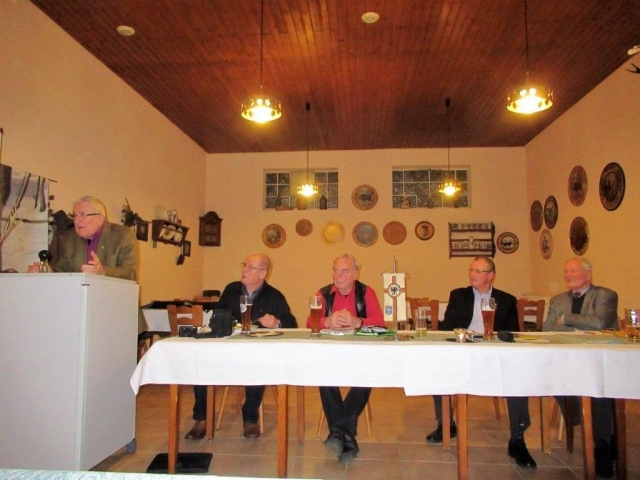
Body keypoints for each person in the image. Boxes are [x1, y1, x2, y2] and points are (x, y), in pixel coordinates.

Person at [427, 256, 537, 468]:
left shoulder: (506, 300)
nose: (472, 274)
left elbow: (512, 333)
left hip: (493, 354)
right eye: (471, 270)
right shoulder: (458, 295)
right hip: (463, 350)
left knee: (517, 375)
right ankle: (446, 423)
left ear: (491, 275)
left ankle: (517, 439)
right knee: (438, 368)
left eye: (478, 271)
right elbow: (446, 327)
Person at [185, 253, 296, 440]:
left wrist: (276, 322)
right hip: (228, 351)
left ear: (263, 274)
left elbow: (291, 324)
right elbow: (216, 318)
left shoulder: (274, 296)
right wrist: (227, 324)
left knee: (259, 365)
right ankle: (201, 419)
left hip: (255, 354)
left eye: (251, 267)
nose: (244, 270)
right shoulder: (232, 290)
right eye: (245, 265)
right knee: (202, 362)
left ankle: (250, 419)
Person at [543, 258, 618, 478]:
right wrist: (581, 325)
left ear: (589, 274)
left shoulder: (605, 295)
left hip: (599, 357)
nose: (568, 275)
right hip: (568, 358)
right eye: (566, 271)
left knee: (597, 385)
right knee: (550, 374)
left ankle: (601, 444)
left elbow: (600, 322)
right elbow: (547, 329)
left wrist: (566, 319)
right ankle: (581, 419)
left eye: (573, 271)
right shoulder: (558, 300)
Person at [307, 253, 385, 462]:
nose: (338, 275)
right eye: (335, 271)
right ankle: (346, 436)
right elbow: (309, 323)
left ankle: (338, 432)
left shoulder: (366, 292)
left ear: (355, 274)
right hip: (331, 353)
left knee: (367, 375)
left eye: (344, 271)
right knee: (323, 375)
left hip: (360, 354)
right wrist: (327, 321)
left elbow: (380, 324)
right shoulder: (323, 294)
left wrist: (358, 322)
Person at [29, 196, 137, 280]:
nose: (76, 220)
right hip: (80, 297)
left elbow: (129, 272)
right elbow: (65, 270)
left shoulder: (124, 235)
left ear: (100, 218)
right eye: (75, 215)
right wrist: (50, 271)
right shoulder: (69, 237)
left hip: (114, 297)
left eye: (82, 215)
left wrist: (102, 271)